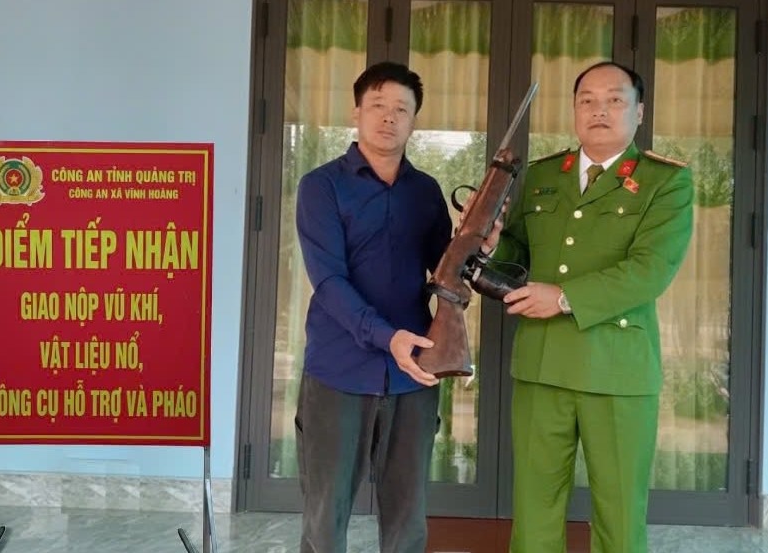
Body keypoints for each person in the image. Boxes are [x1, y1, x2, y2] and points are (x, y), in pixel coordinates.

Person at [491, 61, 694, 552]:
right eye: (587, 100)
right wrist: (490, 244)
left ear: (638, 112)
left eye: (614, 99)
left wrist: (562, 298)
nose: (599, 110)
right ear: (575, 110)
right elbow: (515, 258)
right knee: (536, 508)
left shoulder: (665, 183)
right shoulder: (541, 176)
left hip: (617, 370)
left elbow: (650, 271)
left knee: (620, 513)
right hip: (542, 365)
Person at [294, 61, 488, 553]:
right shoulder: (321, 187)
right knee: (324, 521)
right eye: (378, 105)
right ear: (356, 112)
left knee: (406, 520)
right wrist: (388, 337)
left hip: (413, 378)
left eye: (401, 108)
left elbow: (447, 271)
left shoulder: (425, 192)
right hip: (339, 370)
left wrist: (479, 243)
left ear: (414, 121)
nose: (389, 117)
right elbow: (329, 281)